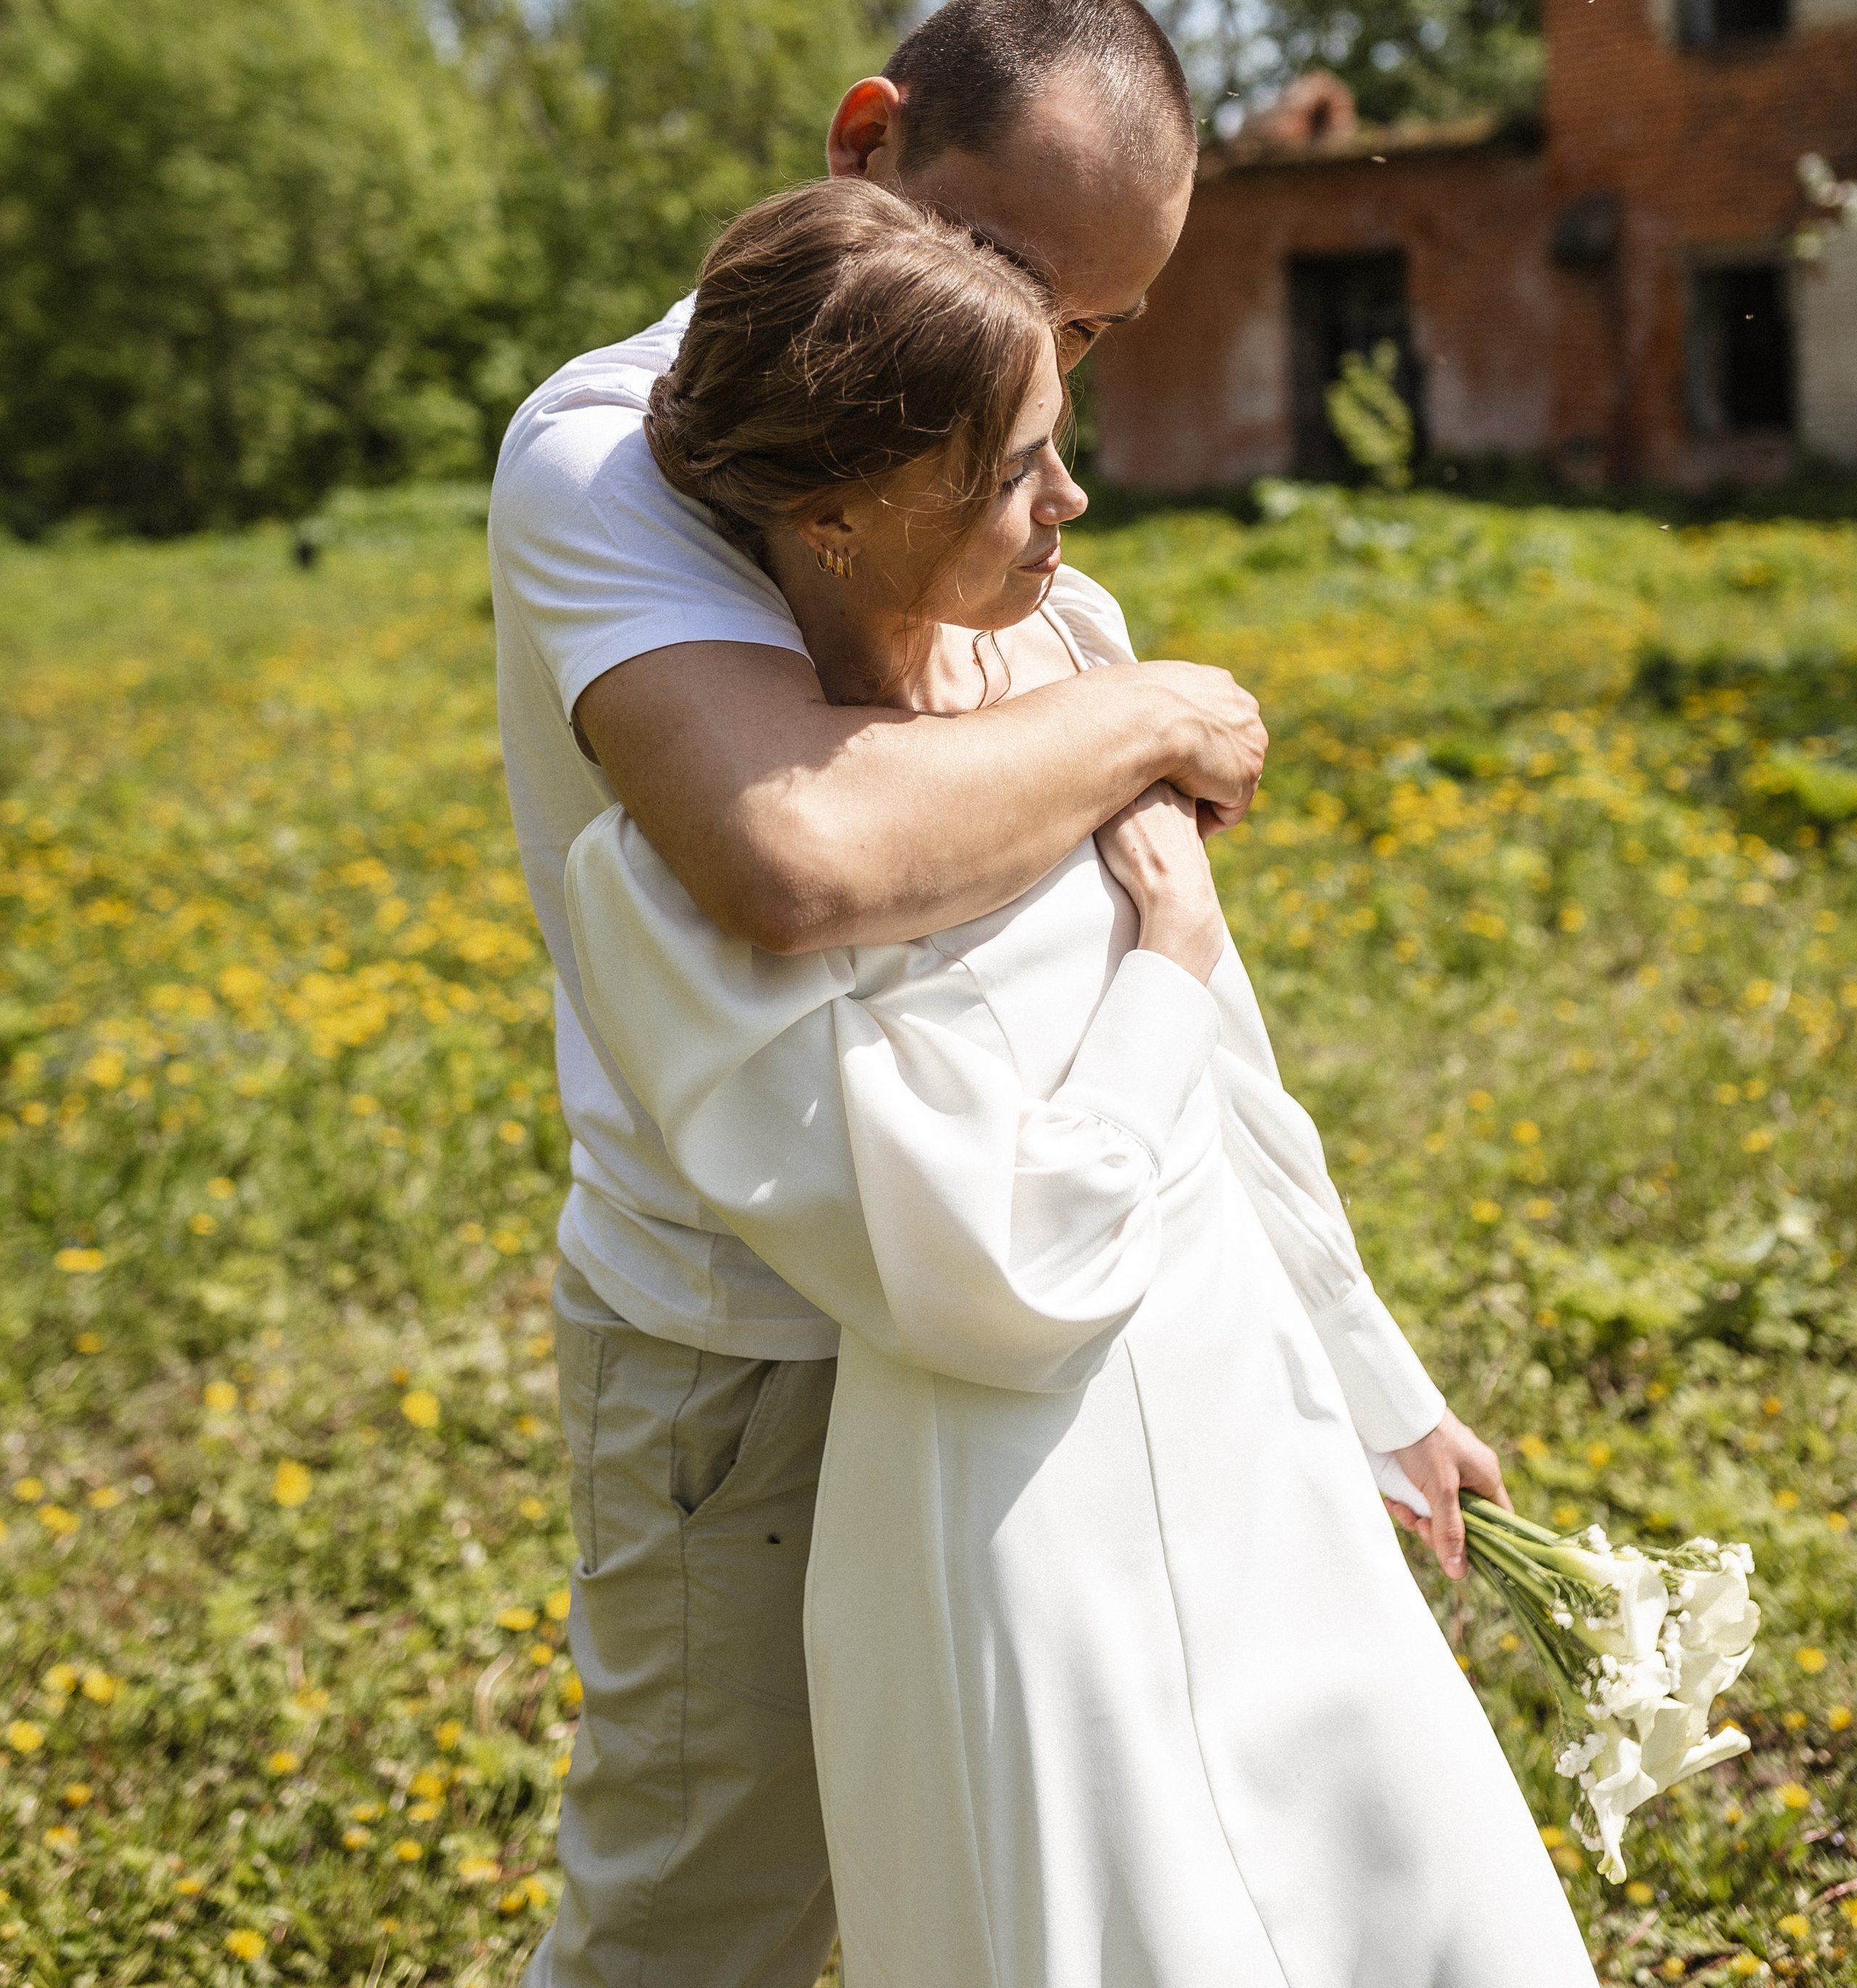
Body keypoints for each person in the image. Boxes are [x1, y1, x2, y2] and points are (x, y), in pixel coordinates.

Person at [562, 181, 1597, 1988]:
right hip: (1023, 1518)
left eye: (1064, 434)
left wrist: (1372, 1384)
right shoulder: (668, 898)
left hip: (1248, 1430)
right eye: (1012, 471)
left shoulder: (1067, 664)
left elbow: (1232, 1090)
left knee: (1406, 1908)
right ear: (836, 511)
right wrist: (1165, 963)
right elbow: (994, 1271)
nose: (1073, 500)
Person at [490, 0, 1271, 1988]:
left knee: (1003, 1892)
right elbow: (800, 857)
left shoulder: (1015, 556)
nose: (1038, 368)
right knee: (709, 1920)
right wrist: (1148, 711)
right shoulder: (612, 460)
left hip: (1011, 1337)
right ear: (867, 147)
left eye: (1090, 332)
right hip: (749, 1337)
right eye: (1003, 266)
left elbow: (1200, 1037)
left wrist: (1360, 1378)